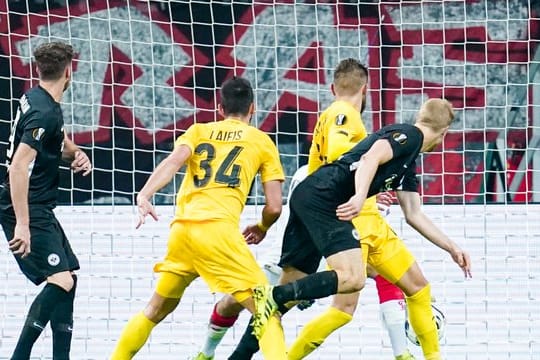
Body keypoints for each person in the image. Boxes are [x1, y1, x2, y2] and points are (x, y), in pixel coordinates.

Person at [194, 58, 415, 360]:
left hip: (316, 205)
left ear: (332, 87)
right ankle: (406, 353)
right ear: (366, 88)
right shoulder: (344, 113)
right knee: (371, 274)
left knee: (285, 295)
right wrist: (365, 187)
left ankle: (234, 355)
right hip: (328, 208)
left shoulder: (329, 117)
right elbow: (343, 157)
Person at [252, 98, 472, 360]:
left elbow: (413, 214)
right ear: (444, 133)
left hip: (351, 214)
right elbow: (370, 157)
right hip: (338, 211)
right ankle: (278, 315)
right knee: (347, 295)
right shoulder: (410, 135)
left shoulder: (408, 160)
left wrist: (452, 248)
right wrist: (359, 196)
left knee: (418, 287)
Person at [110, 77, 288, 359]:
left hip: (182, 233)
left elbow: (173, 162)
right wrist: (263, 226)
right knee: (268, 314)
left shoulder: (198, 131)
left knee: (154, 310)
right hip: (219, 234)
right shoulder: (261, 141)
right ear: (253, 109)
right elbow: (275, 207)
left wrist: (145, 194)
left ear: (220, 108)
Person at [0, 41, 92, 360]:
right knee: (61, 279)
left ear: (38, 69)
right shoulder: (44, 113)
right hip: (26, 208)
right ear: (69, 71)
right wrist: (22, 225)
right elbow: (18, 166)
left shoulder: (37, 98)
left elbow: (56, 140)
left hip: (38, 206)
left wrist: (76, 154)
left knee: (70, 278)